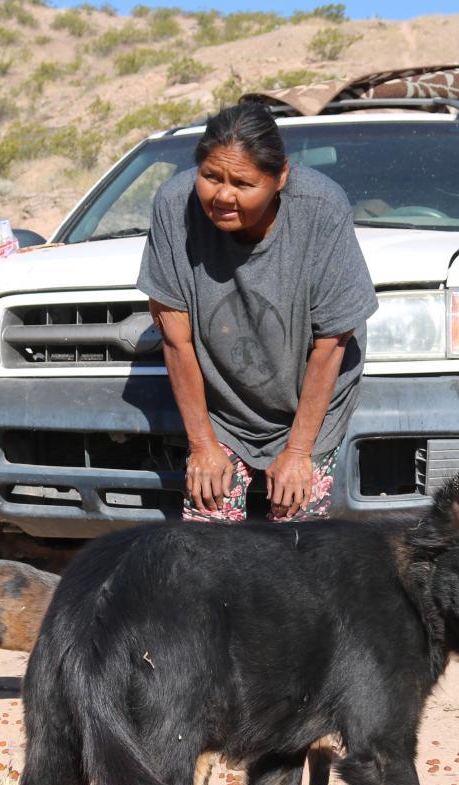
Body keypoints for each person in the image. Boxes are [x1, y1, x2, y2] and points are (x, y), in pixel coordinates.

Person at [138, 101, 377, 522]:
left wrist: (300, 451)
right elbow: (175, 339)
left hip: (309, 402)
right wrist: (203, 445)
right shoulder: (175, 206)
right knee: (208, 539)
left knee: (294, 539)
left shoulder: (321, 209)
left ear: (280, 177)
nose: (223, 196)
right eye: (211, 177)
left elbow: (331, 344)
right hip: (223, 407)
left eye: (243, 184)